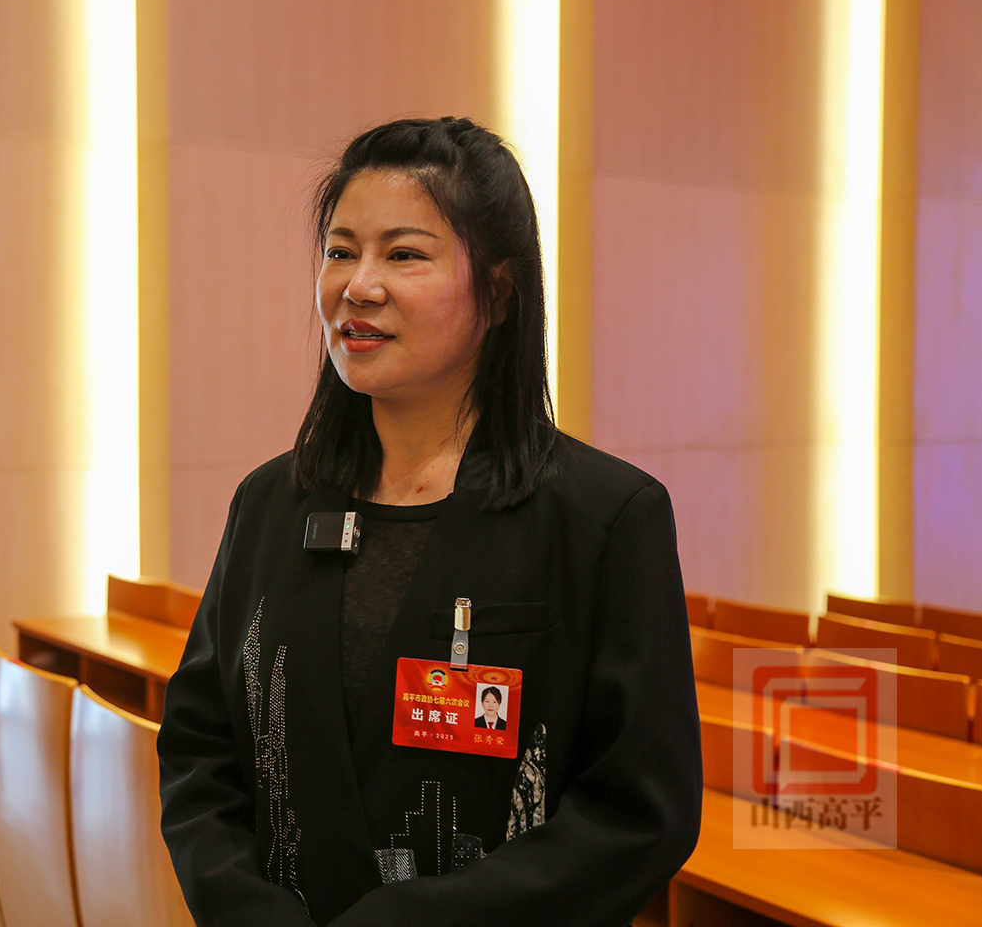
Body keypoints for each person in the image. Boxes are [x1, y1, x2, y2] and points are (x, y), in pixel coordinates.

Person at [157, 117, 702, 927]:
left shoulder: (603, 518)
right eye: (341, 251)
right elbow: (199, 749)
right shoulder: (270, 504)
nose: (359, 285)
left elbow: (639, 812)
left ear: (500, 291)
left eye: (404, 255)